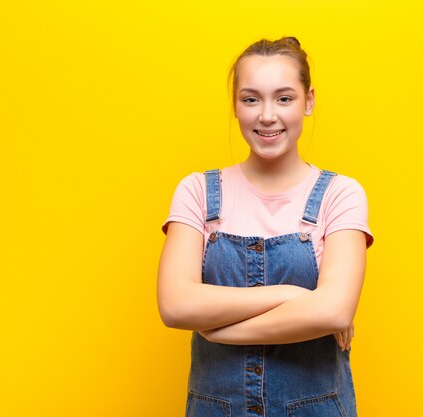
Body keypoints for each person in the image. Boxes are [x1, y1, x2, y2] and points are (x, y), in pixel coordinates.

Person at [157, 36, 374, 417]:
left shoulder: (341, 194)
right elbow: (175, 305)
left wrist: (221, 330)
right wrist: (292, 294)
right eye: (251, 98)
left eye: (284, 98)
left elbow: (335, 312)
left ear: (309, 101)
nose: (267, 115)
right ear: (235, 106)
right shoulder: (197, 191)